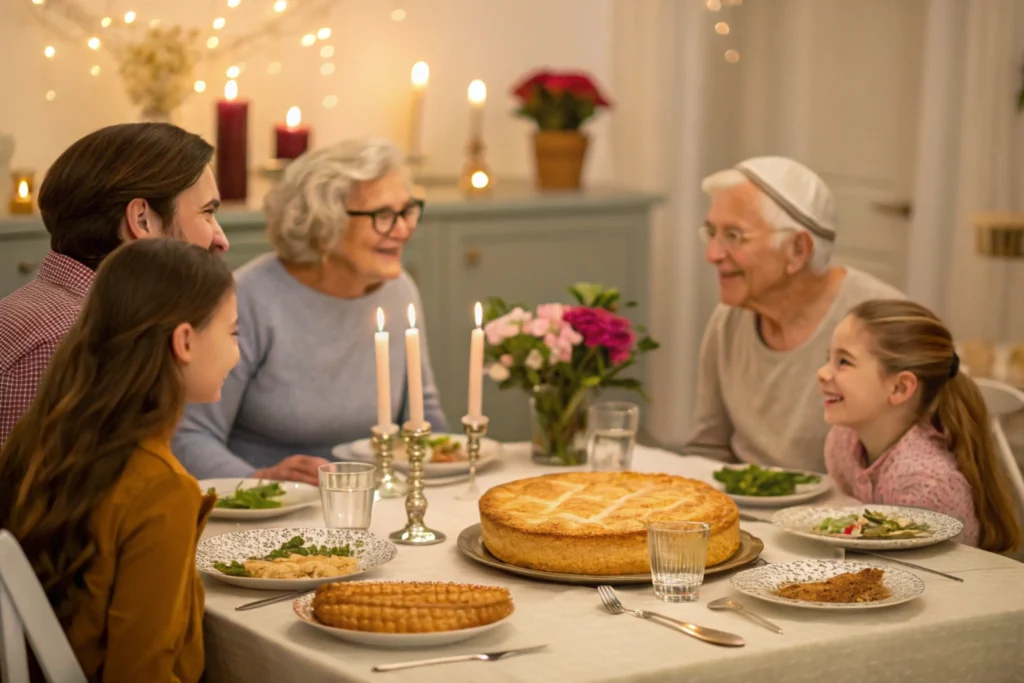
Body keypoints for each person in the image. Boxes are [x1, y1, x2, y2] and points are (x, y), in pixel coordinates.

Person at [0, 239, 238, 681]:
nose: (236, 354)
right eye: (232, 332)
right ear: (184, 340)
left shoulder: (45, 443)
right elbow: (141, 672)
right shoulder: (161, 489)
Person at [173, 137, 447, 484]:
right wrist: (260, 482)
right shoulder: (247, 297)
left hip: (371, 502)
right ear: (322, 226)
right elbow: (189, 435)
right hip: (268, 515)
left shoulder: (399, 290)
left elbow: (424, 413)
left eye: (407, 211)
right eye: (382, 215)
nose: (404, 228)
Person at [0, 122, 230, 446]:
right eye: (207, 213)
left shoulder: (68, 316)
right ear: (141, 220)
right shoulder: (70, 339)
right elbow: (41, 495)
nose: (221, 241)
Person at [684, 156, 904, 471]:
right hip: (745, 512)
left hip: (846, 515)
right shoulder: (728, 320)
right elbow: (709, 448)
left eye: (733, 236)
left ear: (797, 250)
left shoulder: (885, 321)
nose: (712, 254)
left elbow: (914, 468)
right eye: (712, 233)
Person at [819, 299, 1020, 553]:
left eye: (844, 362)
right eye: (829, 358)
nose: (823, 373)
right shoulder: (842, 441)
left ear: (900, 388)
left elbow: (935, 580)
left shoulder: (927, 485)